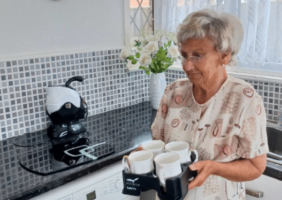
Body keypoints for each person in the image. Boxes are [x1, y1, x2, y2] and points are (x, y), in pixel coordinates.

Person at [151, 9, 269, 200]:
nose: (187, 65)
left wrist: (214, 168)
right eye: (184, 55)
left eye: (197, 55)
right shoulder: (173, 92)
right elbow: (159, 144)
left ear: (224, 55)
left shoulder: (245, 99)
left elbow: (256, 166)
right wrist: (147, 155)